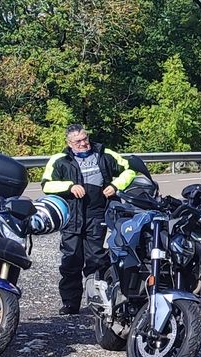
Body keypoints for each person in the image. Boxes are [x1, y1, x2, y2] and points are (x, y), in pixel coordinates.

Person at [40, 124, 139, 315]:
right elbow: (47, 185)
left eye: (85, 138)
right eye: (78, 141)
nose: (84, 143)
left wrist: (115, 185)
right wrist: (69, 187)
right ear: (69, 143)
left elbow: (129, 169)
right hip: (72, 218)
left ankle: (101, 301)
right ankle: (70, 304)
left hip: (97, 214)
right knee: (71, 261)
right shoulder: (60, 160)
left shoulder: (104, 153)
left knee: (97, 259)